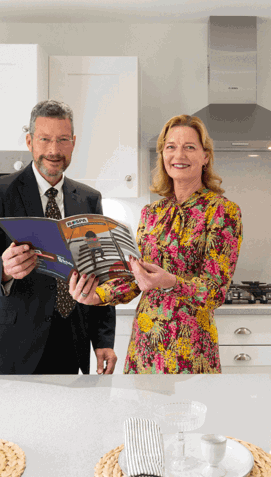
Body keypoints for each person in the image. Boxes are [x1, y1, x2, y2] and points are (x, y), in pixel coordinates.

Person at [69, 114, 243, 374]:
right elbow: (134, 278)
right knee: (140, 416)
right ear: (163, 155)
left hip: (191, 350)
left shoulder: (222, 211)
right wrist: (96, 296)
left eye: (189, 147)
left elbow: (215, 291)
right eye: (170, 147)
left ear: (205, 156)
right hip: (145, 348)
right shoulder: (152, 213)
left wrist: (170, 282)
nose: (178, 154)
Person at [0, 99, 118, 375]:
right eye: (45, 139)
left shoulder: (89, 199)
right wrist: (4, 269)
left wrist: (103, 340)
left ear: (73, 142)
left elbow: (100, 275)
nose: (54, 150)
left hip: (70, 347)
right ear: (29, 141)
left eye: (62, 140)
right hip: (8, 350)